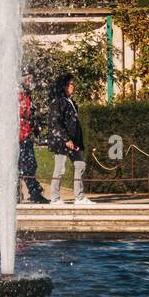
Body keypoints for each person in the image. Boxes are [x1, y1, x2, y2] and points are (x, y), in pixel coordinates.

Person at [48, 73, 92, 205]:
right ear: (65, 86)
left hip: (73, 142)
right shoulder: (58, 102)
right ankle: (54, 198)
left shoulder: (70, 102)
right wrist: (66, 139)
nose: (74, 86)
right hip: (62, 142)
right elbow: (55, 123)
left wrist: (75, 140)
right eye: (71, 84)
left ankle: (79, 197)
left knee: (80, 165)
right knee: (60, 169)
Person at [18, 72, 49, 204]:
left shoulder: (26, 95)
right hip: (17, 138)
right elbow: (18, 113)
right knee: (23, 166)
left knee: (30, 165)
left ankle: (34, 192)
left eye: (32, 79)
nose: (31, 82)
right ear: (23, 80)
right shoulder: (18, 95)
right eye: (29, 79)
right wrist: (25, 113)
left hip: (25, 135)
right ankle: (30, 193)